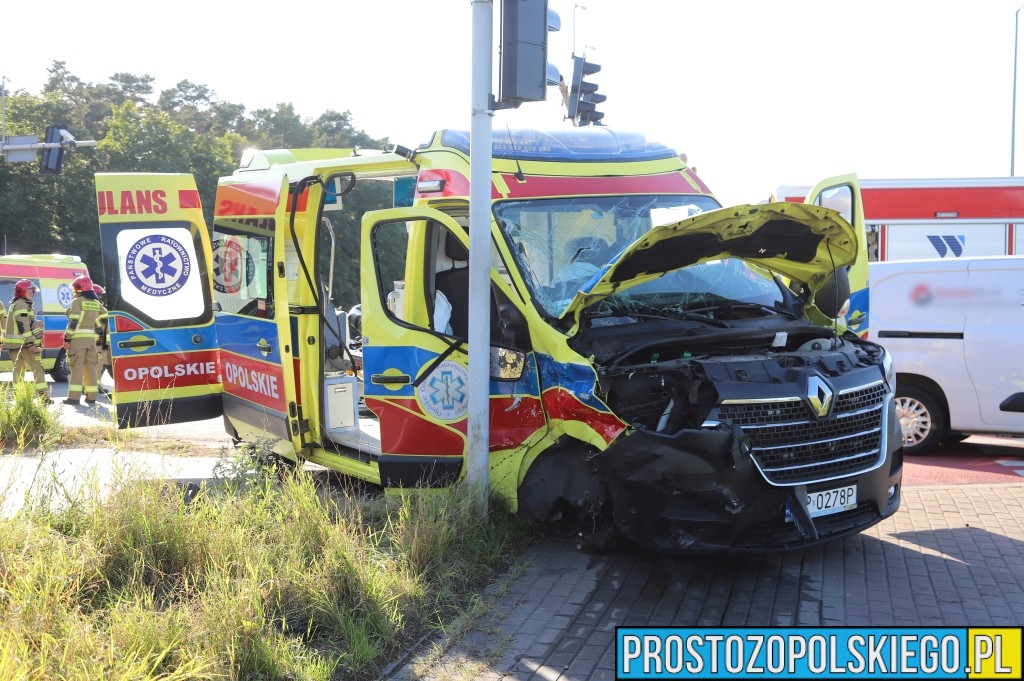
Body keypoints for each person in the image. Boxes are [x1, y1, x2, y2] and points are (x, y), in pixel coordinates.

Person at [3, 279, 49, 401]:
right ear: (21, 292)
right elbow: (23, 325)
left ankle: (20, 398)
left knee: (18, 371)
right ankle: (43, 397)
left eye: (33, 291)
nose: (32, 293)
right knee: (37, 368)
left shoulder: (16, 304)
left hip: (15, 346)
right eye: (29, 291)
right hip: (25, 345)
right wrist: (30, 343)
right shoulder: (22, 304)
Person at [63, 275, 106, 405]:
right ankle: (92, 396)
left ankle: (74, 397)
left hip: (77, 340)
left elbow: (74, 321)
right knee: (90, 368)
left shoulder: (77, 301)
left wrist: (67, 338)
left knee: (76, 367)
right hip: (91, 340)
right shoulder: (96, 303)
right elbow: (105, 314)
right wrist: (95, 324)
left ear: (79, 288)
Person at [92, 284, 111, 392]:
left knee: (98, 365)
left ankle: (93, 386)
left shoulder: (97, 306)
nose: (102, 298)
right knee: (97, 365)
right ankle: (96, 386)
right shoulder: (96, 306)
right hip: (97, 342)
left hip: (100, 342)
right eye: (100, 295)